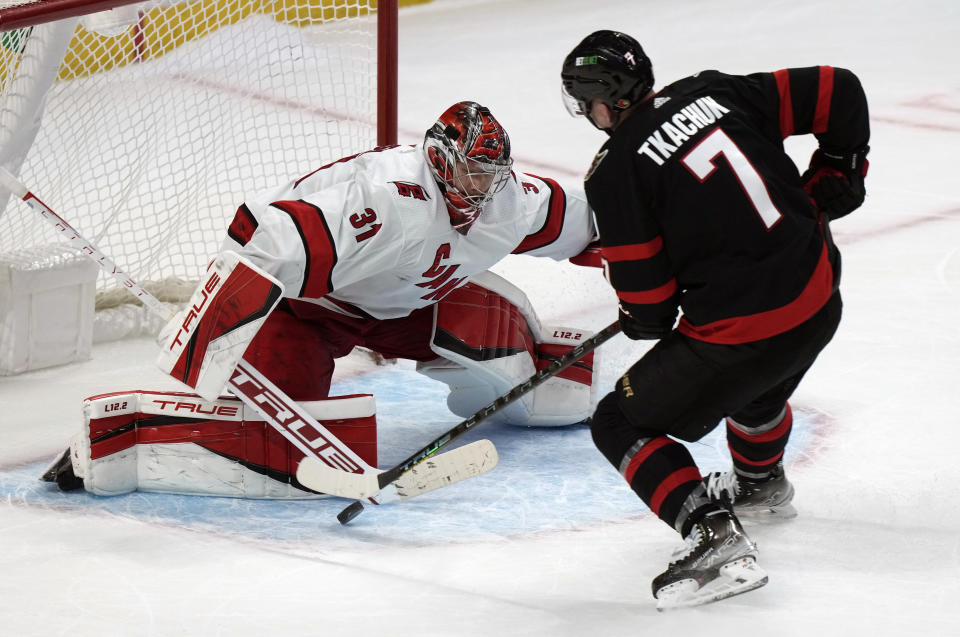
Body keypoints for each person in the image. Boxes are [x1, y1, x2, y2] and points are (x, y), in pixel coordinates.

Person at [42, 101, 601, 498]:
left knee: (543, 395)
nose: (480, 190)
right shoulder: (385, 200)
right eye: (468, 174)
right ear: (437, 159)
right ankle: (121, 440)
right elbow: (261, 237)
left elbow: (591, 218)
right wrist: (211, 329)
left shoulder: (507, 202)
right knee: (276, 447)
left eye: (489, 176)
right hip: (310, 309)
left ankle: (538, 356)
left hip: (413, 306)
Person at [560, 31, 869, 609]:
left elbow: (651, 309)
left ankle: (712, 535)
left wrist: (636, 308)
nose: (587, 114)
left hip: (749, 333)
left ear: (607, 102)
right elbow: (838, 88)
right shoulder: (717, 90)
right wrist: (841, 168)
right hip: (820, 294)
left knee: (619, 422)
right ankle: (761, 485)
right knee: (754, 386)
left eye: (586, 102)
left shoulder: (614, 171)